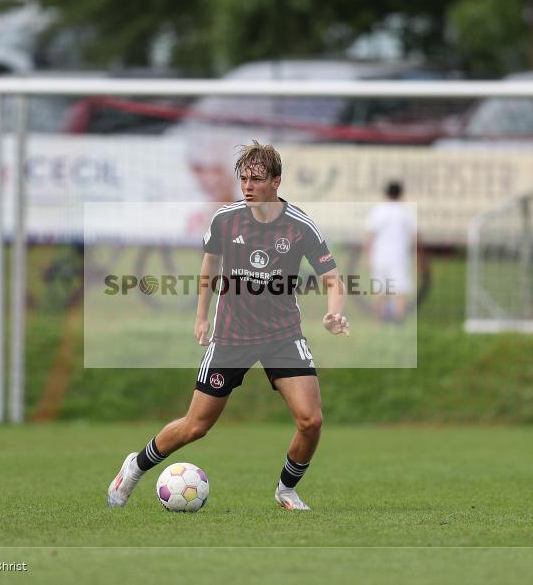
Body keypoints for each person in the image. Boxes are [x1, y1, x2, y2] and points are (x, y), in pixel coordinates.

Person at [107, 141, 349, 511]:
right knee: (195, 426)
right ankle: (135, 467)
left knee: (310, 420)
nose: (248, 186)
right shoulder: (225, 219)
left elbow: (332, 278)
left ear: (277, 182)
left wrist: (334, 313)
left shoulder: (300, 226)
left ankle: (286, 489)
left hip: (283, 336)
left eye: (257, 179)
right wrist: (202, 315)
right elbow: (209, 268)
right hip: (231, 337)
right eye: (244, 179)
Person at [363, 181, 417, 322]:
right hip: (399, 258)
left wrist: (367, 257)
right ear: (401, 193)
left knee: (380, 290)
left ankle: (377, 320)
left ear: (386, 193)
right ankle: (398, 319)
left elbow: (370, 235)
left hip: (379, 257)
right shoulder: (405, 212)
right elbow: (414, 236)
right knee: (399, 291)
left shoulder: (378, 210)